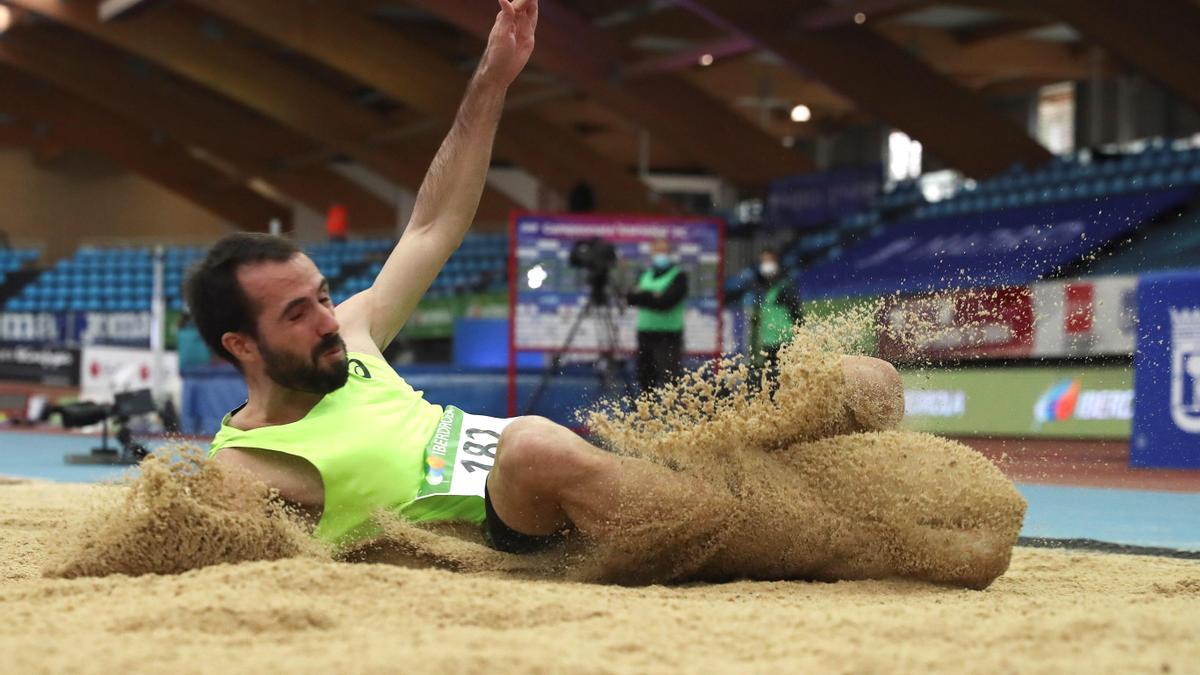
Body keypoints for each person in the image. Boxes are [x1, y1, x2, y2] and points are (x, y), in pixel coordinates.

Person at [189, 0, 1013, 589]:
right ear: (241, 345)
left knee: (866, 383)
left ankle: (811, 502)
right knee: (531, 444)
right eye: (296, 312)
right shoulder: (248, 464)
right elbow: (200, 540)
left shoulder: (354, 337)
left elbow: (434, 223)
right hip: (509, 525)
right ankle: (820, 539)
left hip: (589, 479)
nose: (328, 318)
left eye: (323, 295)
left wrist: (492, 81)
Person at [625, 239, 687, 393]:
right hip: (646, 333)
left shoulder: (679, 276)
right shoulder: (645, 274)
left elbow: (667, 302)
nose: (661, 255)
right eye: (657, 251)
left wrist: (644, 295)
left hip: (669, 334)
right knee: (645, 374)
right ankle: (646, 407)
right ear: (652, 253)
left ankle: (671, 410)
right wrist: (653, 295)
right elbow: (631, 298)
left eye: (664, 251)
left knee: (669, 375)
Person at [748, 248, 803, 385]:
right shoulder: (761, 289)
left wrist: (800, 339)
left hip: (785, 343)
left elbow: (797, 314)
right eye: (763, 261)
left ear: (776, 262)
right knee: (771, 383)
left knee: (786, 382)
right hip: (768, 344)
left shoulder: (785, 287)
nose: (766, 264)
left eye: (769, 260)